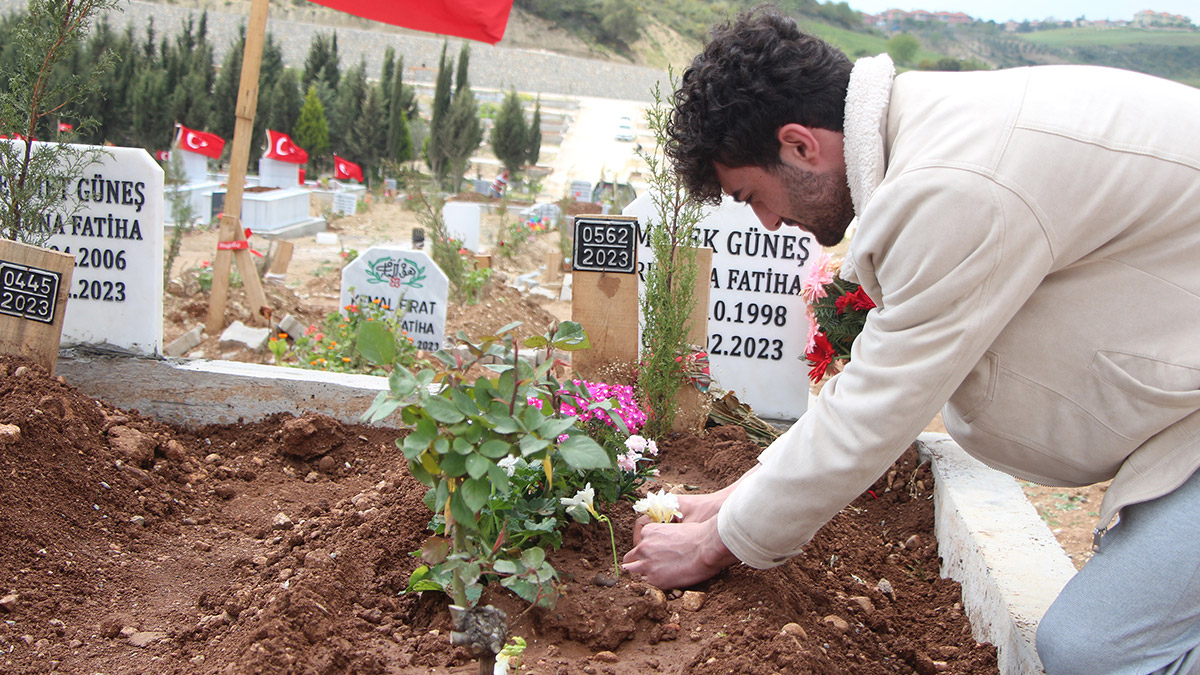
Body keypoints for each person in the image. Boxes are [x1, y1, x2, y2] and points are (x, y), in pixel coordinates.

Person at [620, 7, 1200, 674]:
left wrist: (716, 542)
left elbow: (875, 408)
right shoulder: (935, 137)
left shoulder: (951, 186)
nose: (770, 222)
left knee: (1099, 650)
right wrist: (726, 502)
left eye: (753, 194)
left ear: (800, 145)